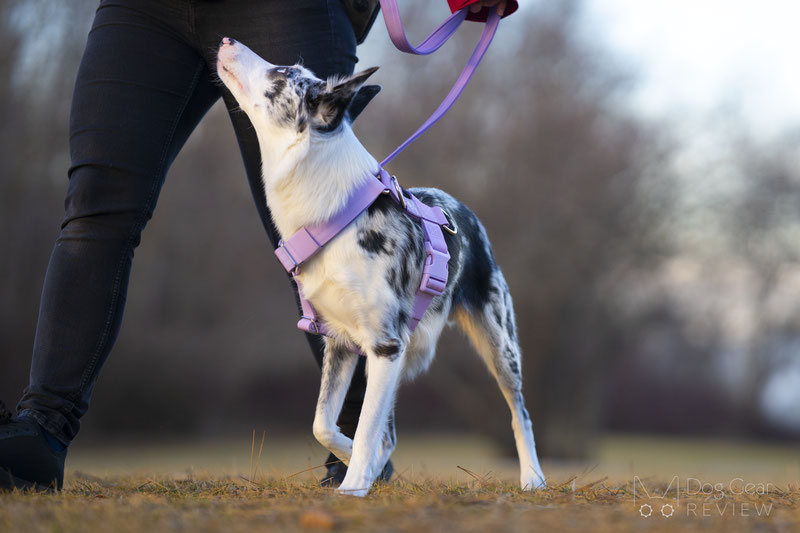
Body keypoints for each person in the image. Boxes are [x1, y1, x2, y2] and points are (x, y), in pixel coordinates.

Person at [0, 0, 516, 491]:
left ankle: (361, 445)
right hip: (143, 12)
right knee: (96, 203)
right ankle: (42, 429)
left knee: (327, 227)